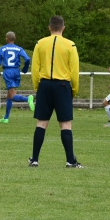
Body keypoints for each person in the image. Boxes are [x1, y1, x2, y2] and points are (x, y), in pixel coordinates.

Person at [29, 15, 83, 168]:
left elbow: (35, 68)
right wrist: (75, 89)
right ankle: (70, 161)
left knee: (41, 123)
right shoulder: (70, 45)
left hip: (44, 85)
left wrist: (37, 86)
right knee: (66, 124)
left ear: (49, 27)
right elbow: (74, 70)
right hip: (63, 86)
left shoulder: (40, 43)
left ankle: (35, 159)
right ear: (63, 28)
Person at [0, 31, 34, 123]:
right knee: (9, 95)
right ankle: (6, 118)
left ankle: (28, 99)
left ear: (6, 39)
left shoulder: (2, 49)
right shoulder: (19, 49)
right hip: (17, 71)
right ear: (14, 39)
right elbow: (27, 59)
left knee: (12, 95)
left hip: (8, 71)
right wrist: (25, 69)